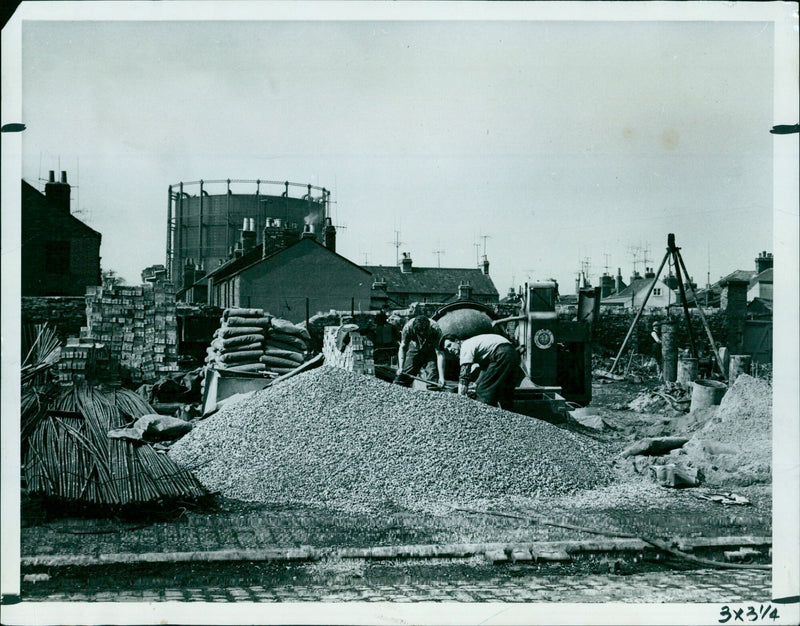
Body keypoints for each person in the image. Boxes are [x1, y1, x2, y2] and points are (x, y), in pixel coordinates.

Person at [440, 333, 521, 410]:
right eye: (447, 349)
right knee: (503, 391)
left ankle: (485, 417)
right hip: (511, 353)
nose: (449, 350)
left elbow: (464, 375)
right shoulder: (477, 345)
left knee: (483, 391)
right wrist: (476, 384)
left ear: (457, 341)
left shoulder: (465, 346)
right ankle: (508, 416)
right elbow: (485, 368)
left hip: (502, 353)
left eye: (449, 345)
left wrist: (460, 399)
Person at [394, 316, 446, 388]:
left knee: (432, 375)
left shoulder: (436, 329)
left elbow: (440, 354)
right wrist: (401, 367)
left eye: (424, 332)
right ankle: (399, 387)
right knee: (404, 375)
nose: (422, 334)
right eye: (420, 332)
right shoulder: (408, 328)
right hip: (414, 347)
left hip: (431, 349)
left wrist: (441, 377)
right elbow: (403, 347)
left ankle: (433, 390)